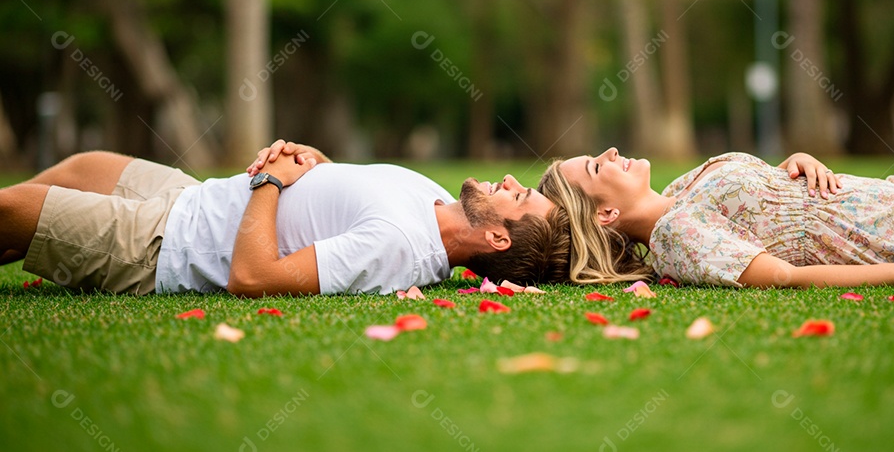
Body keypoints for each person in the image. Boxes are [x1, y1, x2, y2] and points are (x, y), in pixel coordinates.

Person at [537, 70, 894, 289]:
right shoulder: (676, 237)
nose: (608, 152)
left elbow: (763, 209)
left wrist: (796, 163)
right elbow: (783, 276)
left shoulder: (680, 194)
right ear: (605, 214)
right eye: (594, 166)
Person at [0, 140, 566, 297]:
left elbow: (253, 277)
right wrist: (308, 160)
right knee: (82, 166)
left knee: (13, 210)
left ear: (495, 237)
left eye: (518, 199)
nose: (513, 181)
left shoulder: (398, 247)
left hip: (169, 245)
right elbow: (334, 193)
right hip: (197, 197)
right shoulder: (433, 196)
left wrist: (272, 181)